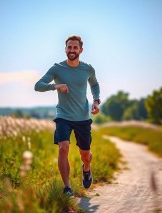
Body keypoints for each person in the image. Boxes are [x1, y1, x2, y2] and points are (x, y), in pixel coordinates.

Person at [34, 35, 100, 196]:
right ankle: (67, 187)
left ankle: (86, 168)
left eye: (75, 47)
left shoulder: (87, 69)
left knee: (85, 155)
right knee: (63, 147)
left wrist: (96, 101)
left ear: (80, 50)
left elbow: (94, 84)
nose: (72, 50)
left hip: (83, 117)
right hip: (63, 115)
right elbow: (38, 86)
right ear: (65, 49)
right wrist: (56, 86)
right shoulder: (57, 68)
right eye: (69, 47)